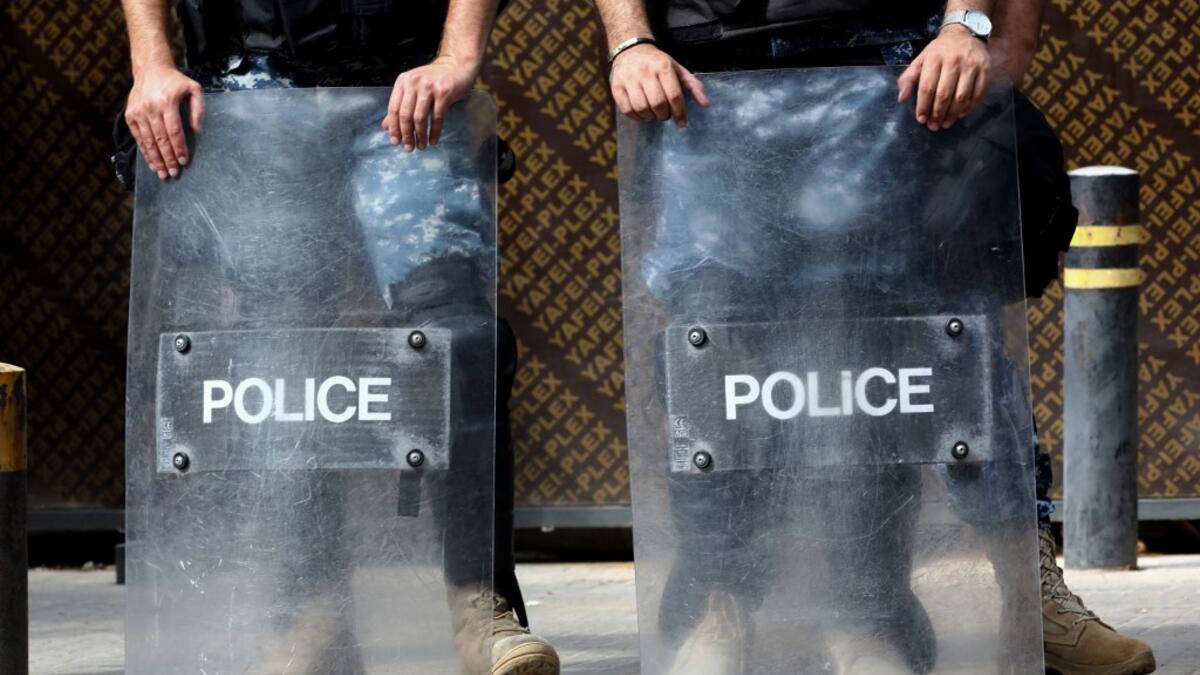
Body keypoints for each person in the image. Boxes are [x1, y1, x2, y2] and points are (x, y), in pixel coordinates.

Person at [597, 0, 1157, 674]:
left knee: (944, 345)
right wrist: (629, 41)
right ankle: (718, 606)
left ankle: (1013, 598)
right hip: (718, 61)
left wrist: (981, 30)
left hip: (900, 56)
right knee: (713, 343)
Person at [115, 2, 559, 674]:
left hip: (406, 89)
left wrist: (460, 53)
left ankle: (480, 606)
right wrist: (152, 63)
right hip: (254, 91)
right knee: (282, 349)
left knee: (461, 340)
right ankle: (312, 611)